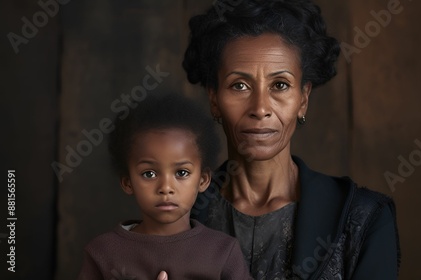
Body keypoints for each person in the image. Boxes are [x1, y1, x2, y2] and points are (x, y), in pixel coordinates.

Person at [179, 0, 401, 279]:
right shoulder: (178, 213)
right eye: (240, 85)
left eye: (280, 85)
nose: (260, 108)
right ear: (214, 99)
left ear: (303, 99)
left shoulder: (363, 219)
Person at [77, 93, 252, 280]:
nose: (166, 187)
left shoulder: (223, 252)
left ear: (203, 180)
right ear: (127, 182)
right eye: (149, 174)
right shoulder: (103, 253)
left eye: (182, 173)